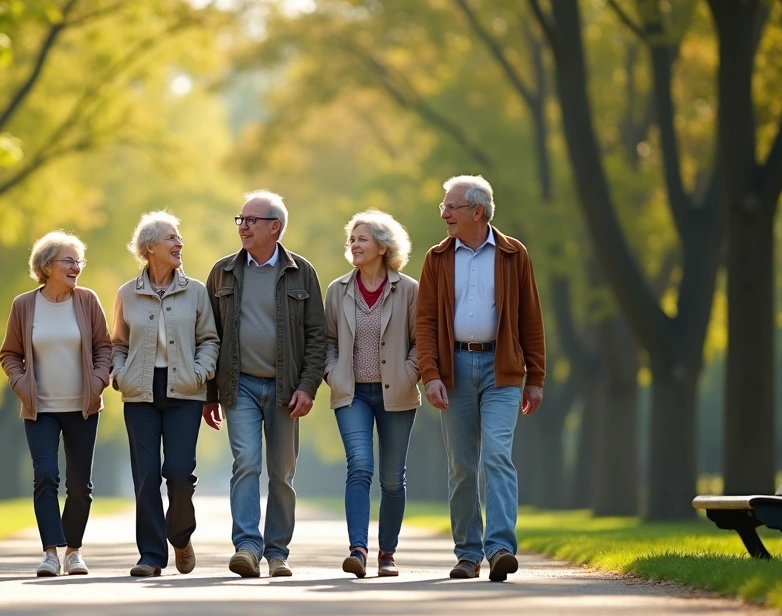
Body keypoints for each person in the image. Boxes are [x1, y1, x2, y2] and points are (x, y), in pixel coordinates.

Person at [417, 175, 545, 582]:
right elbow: (424, 322)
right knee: (463, 466)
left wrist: (536, 377)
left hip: (502, 369)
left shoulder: (512, 254)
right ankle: (468, 554)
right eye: (443, 206)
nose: (444, 213)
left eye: (451, 206)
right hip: (454, 369)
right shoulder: (437, 257)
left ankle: (501, 547)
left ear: (477, 211)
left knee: (497, 456)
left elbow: (530, 318)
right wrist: (430, 373)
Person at [204, 190, 326, 578]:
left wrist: (308, 386)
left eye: (251, 220)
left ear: (275, 226)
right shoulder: (222, 272)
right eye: (240, 220)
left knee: (281, 473)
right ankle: (246, 547)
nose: (243, 226)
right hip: (238, 386)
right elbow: (209, 335)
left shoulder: (301, 272)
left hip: (287, 391)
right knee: (246, 464)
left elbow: (317, 336)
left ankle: (277, 552)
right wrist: (210, 394)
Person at [111, 210, 220, 577]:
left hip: (185, 391)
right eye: (171, 238)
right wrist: (119, 373)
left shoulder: (196, 291)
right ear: (149, 248)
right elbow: (117, 344)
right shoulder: (127, 293)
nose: (179, 243)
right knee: (146, 476)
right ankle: (151, 556)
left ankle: (181, 537)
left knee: (178, 472)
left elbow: (209, 339)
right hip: (139, 391)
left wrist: (201, 372)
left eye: (179, 238)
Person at [0, 231, 112, 578]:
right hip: (40, 410)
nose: (76, 267)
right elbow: (10, 354)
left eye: (79, 261)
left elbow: (104, 348)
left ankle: (74, 552)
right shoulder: (24, 305)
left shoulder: (88, 301)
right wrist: (20, 384)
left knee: (80, 485)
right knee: (45, 477)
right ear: (47, 266)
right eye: (69, 261)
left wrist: (97, 383)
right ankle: (50, 553)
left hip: (82, 407)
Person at [323, 209, 420, 578]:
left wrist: (410, 373)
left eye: (362, 238)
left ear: (383, 246)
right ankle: (358, 551)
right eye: (352, 239)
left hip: (398, 393)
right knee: (359, 466)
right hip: (352, 395)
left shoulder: (408, 289)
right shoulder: (337, 290)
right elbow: (328, 342)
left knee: (393, 479)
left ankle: (387, 554)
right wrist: (333, 374)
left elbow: (420, 342)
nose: (355, 245)